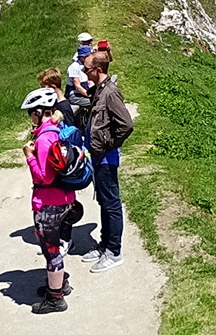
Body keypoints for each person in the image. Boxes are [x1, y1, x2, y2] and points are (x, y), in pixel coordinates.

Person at [22, 87, 82, 314]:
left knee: (51, 249)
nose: (30, 117)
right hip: (65, 199)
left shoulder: (44, 139)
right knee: (53, 246)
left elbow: (45, 177)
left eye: (31, 113)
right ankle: (59, 283)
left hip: (49, 202)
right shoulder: (56, 131)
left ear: (39, 112)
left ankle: (55, 299)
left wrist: (29, 157)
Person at [78, 48, 133, 273]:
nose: (83, 72)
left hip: (107, 157)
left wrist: (109, 143)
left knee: (111, 203)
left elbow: (126, 124)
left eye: (86, 69)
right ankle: (104, 245)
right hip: (98, 156)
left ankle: (114, 252)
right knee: (103, 201)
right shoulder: (99, 90)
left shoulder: (110, 92)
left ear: (97, 70)